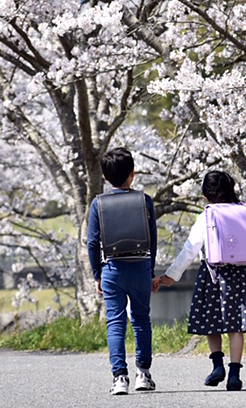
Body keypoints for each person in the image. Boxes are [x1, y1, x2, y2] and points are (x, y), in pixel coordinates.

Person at [159, 170, 246, 391]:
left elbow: (190, 250)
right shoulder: (244, 211)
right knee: (236, 327)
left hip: (213, 276)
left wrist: (171, 276)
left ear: (205, 195)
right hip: (241, 275)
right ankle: (234, 374)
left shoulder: (207, 216)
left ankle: (218, 365)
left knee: (211, 322)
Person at [87, 147, 159, 395]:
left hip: (112, 269)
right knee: (141, 320)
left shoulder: (98, 203)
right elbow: (153, 239)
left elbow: (92, 243)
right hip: (140, 265)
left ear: (106, 177)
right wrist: (150, 270)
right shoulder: (144, 200)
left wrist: (97, 273)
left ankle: (119, 378)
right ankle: (143, 373)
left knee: (115, 323)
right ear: (132, 173)